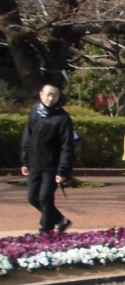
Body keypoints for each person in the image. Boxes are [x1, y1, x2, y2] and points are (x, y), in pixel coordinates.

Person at [20, 82, 76, 234]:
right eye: (48, 94)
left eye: (55, 95)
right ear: (41, 95)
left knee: (45, 198)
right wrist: (25, 160)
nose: (51, 98)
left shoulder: (62, 118)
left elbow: (67, 146)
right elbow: (28, 136)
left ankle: (46, 229)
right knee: (33, 198)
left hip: (52, 166)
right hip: (34, 163)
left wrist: (62, 171)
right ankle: (60, 219)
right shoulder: (35, 111)